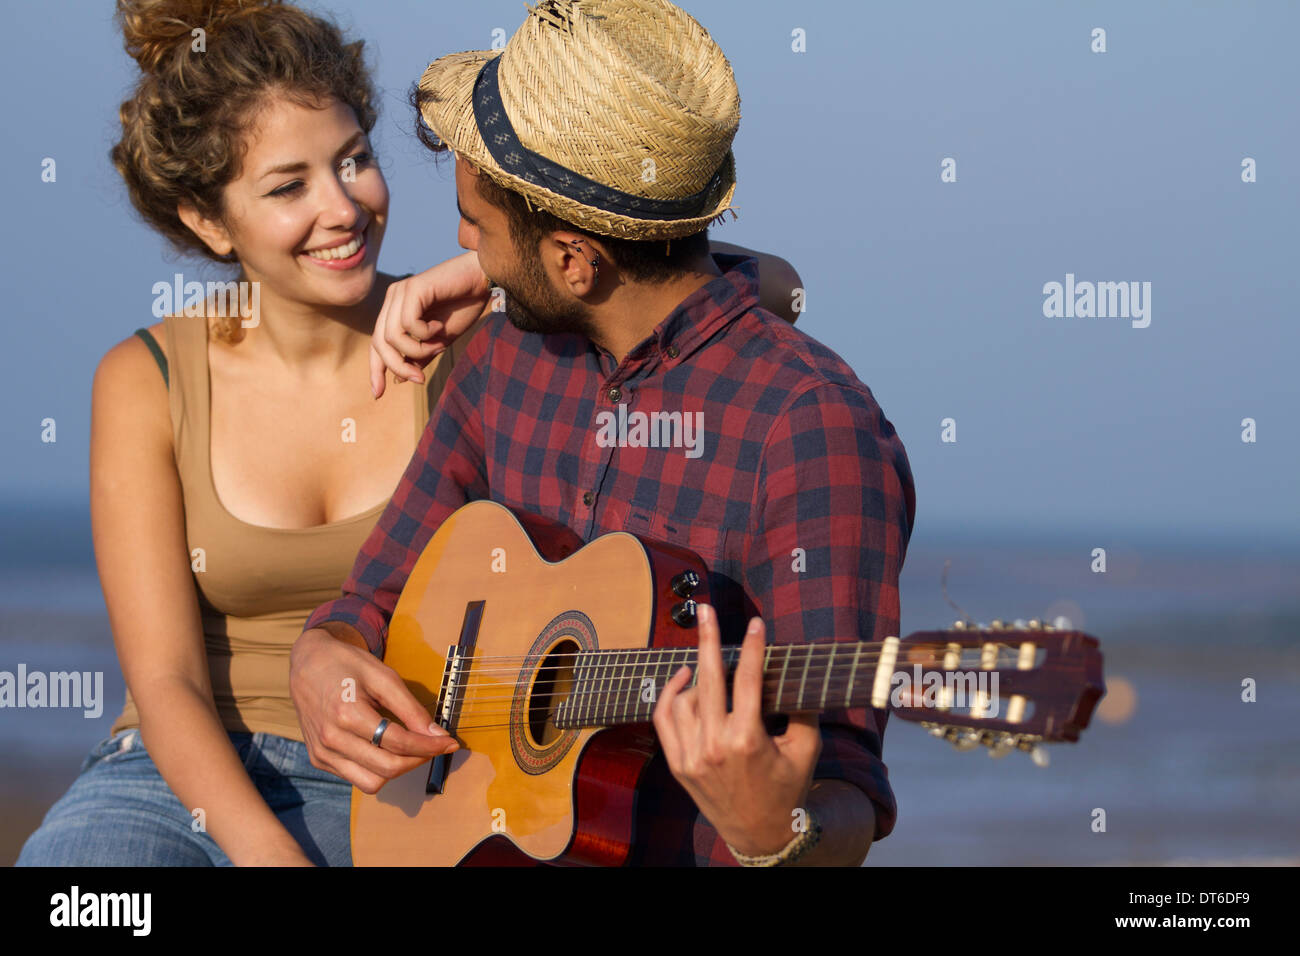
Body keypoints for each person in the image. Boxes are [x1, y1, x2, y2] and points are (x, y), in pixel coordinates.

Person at [17, 0, 803, 867]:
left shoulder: (477, 337)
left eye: (353, 161)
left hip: (406, 783)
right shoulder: (145, 380)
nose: (343, 206)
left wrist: (490, 271)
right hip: (176, 784)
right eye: (289, 186)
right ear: (207, 221)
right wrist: (268, 857)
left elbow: (775, 290)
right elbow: (165, 686)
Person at [291, 0, 916, 866]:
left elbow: (846, 792)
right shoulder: (501, 359)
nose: (461, 246)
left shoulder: (809, 429)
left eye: (476, 225)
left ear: (576, 261)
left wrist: (778, 831)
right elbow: (377, 597)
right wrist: (323, 653)